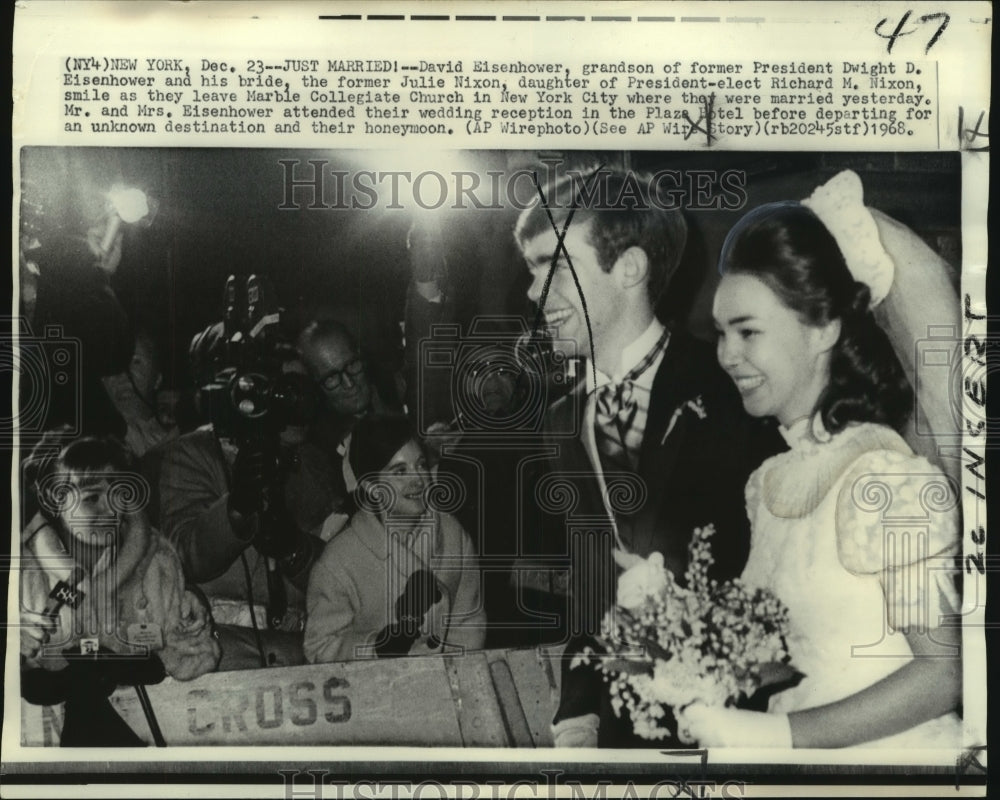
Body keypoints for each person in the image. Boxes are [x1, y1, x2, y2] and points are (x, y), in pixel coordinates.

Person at [682, 170, 962, 748]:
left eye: (747, 331)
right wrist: (693, 665)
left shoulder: (889, 479)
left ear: (823, 329)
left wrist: (778, 734)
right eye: (720, 333)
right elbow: (799, 646)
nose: (727, 356)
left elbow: (943, 673)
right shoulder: (769, 483)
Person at [515, 168, 785, 747]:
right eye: (531, 271)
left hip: (754, 725)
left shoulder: (736, 387)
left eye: (554, 267)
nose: (534, 292)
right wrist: (579, 714)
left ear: (629, 269)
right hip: (628, 731)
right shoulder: (560, 423)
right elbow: (594, 592)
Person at [20, 429, 220, 745]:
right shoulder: (26, 571)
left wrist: (188, 627)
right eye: (90, 499)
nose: (108, 512)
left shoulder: (155, 564)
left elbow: (188, 658)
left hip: (143, 721)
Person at [304, 416, 486, 663]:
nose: (418, 480)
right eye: (400, 471)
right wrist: (377, 647)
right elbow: (320, 646)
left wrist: (448, 677)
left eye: (421, 465)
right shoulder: (338, 562)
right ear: (372, 487)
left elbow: (468, 623)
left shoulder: (453, 535)